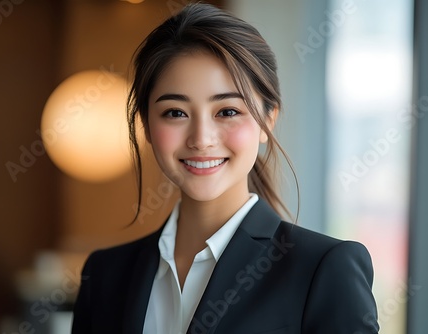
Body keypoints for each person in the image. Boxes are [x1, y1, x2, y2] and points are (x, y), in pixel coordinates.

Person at [71, 3, 379, 333]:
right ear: (146, 125)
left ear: (267, 120)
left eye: (227, 111)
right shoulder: (105, 274)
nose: (201, 139)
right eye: (175, 112)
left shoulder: (323, 269)